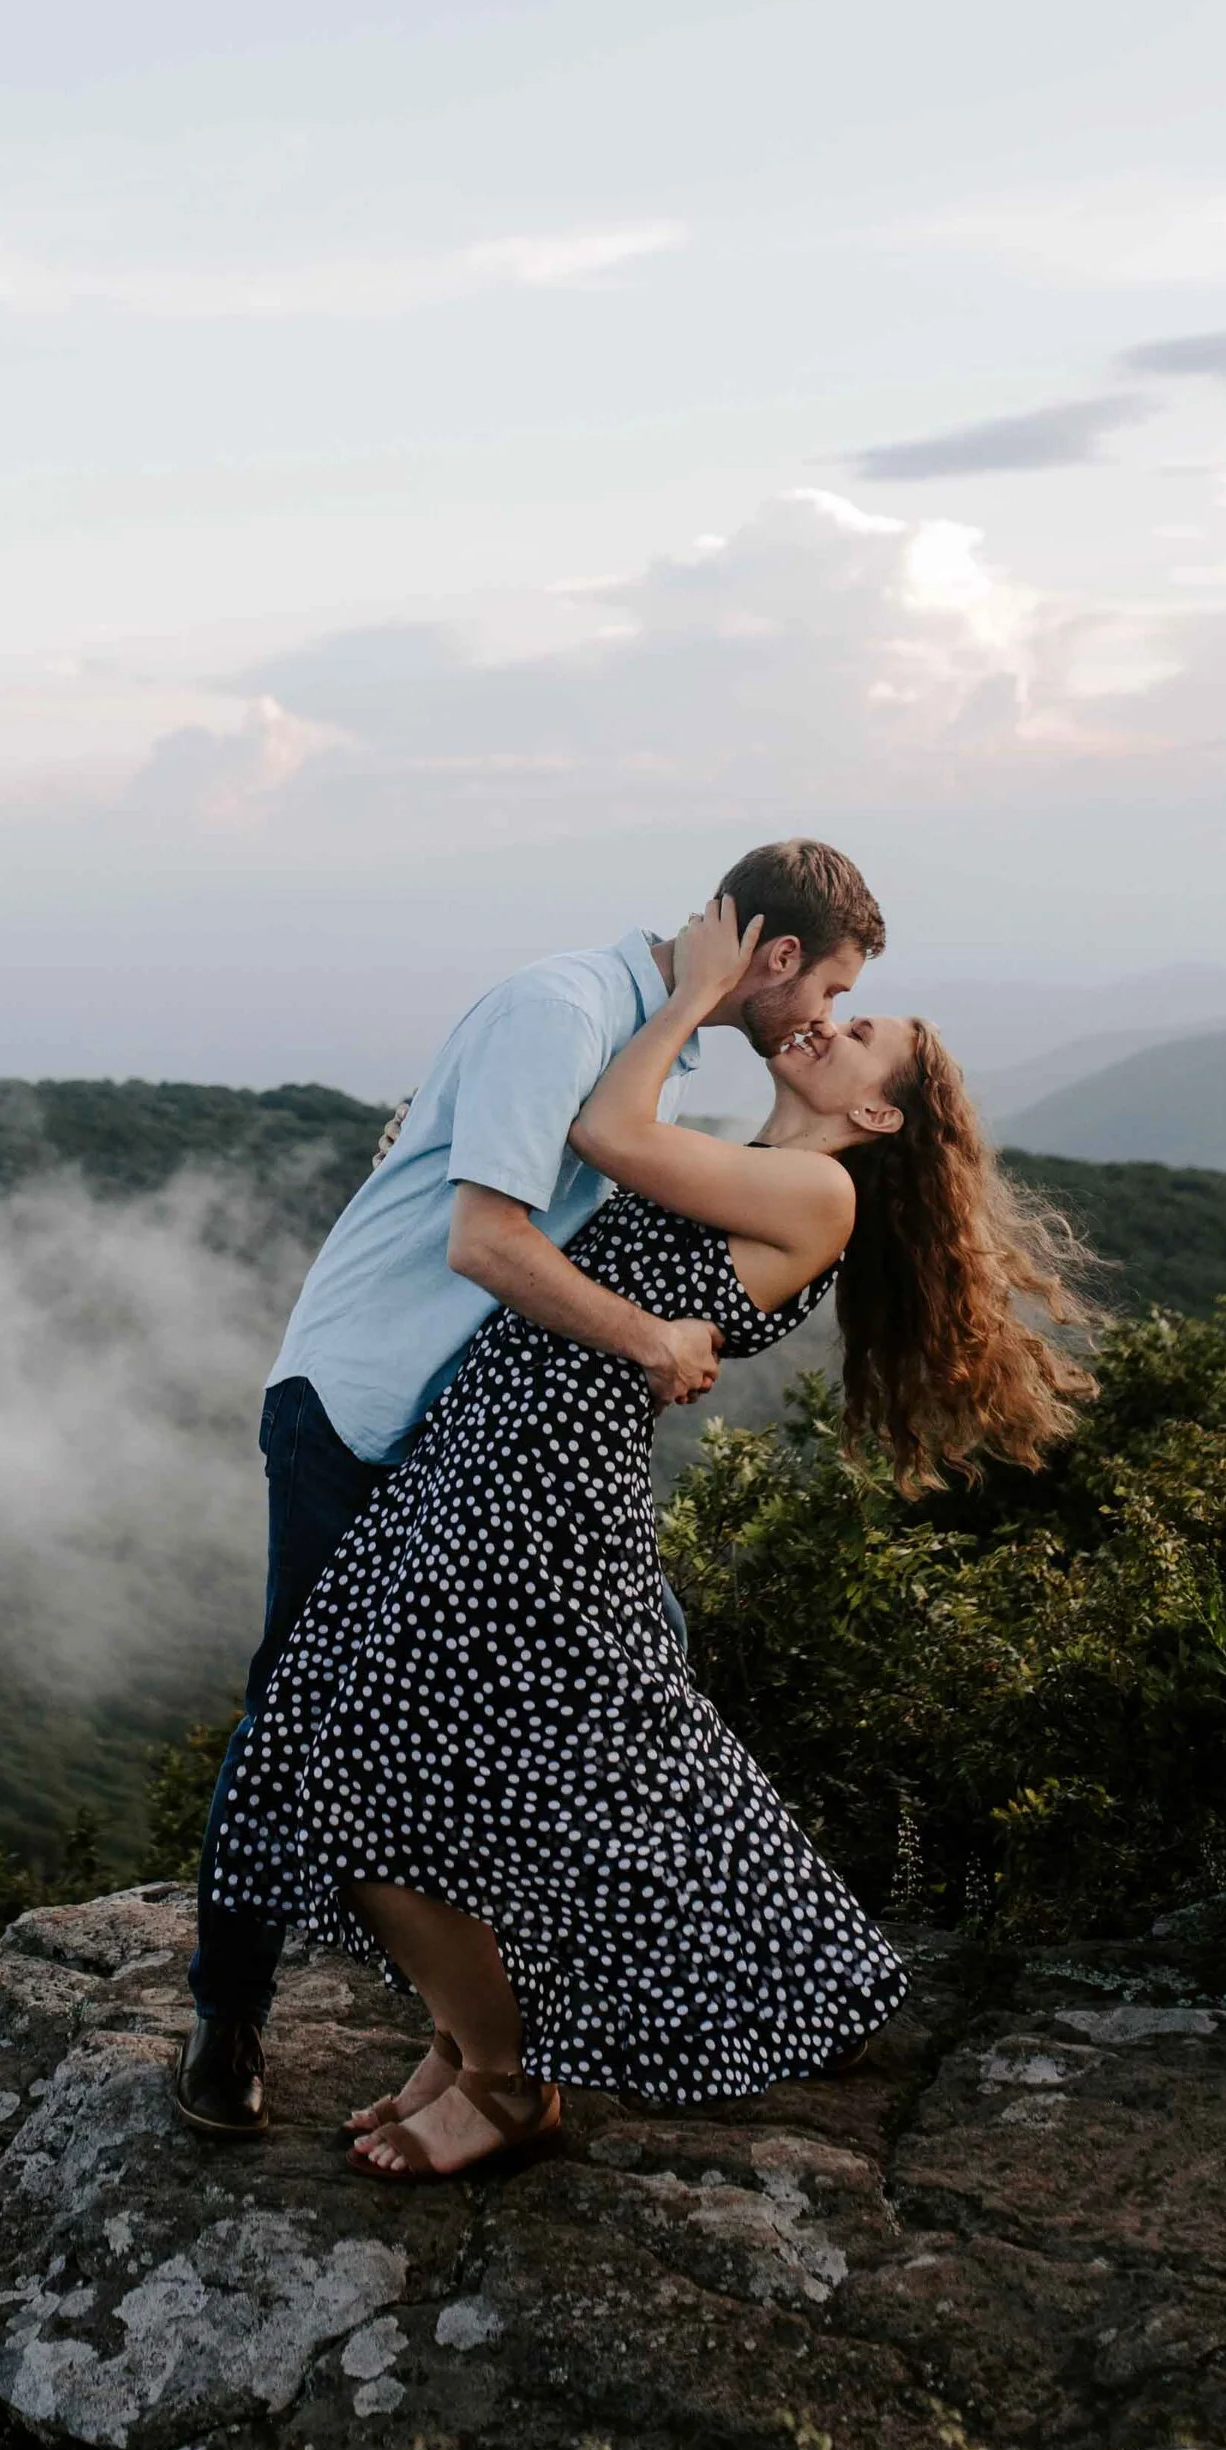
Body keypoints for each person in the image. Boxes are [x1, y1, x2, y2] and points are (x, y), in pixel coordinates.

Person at [205, 894, 1098, 2181]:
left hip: (536, 1491)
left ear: (880, 1116)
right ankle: (466, 2053)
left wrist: (692, 992)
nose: (824, 1028)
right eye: (833, 1005)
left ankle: (506, 2084)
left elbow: (601, 1130)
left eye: (856, 1034)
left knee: (368, 1779)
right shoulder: (750, 1154)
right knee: (465, 1771)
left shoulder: (813, 1193)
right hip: (486, 1464)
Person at [174, 837, 886, 2141]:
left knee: (609, 1701)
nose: (823, 1018)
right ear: (774, 958)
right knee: (309, 1713)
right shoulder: (567, 1010)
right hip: (371, 1408)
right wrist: (650, 1339)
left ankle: (611, 2020)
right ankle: (233, 2015)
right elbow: (485, 1236)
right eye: (826, 990)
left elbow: (582, 1190)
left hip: (488, 1445)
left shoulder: (628, 1036)